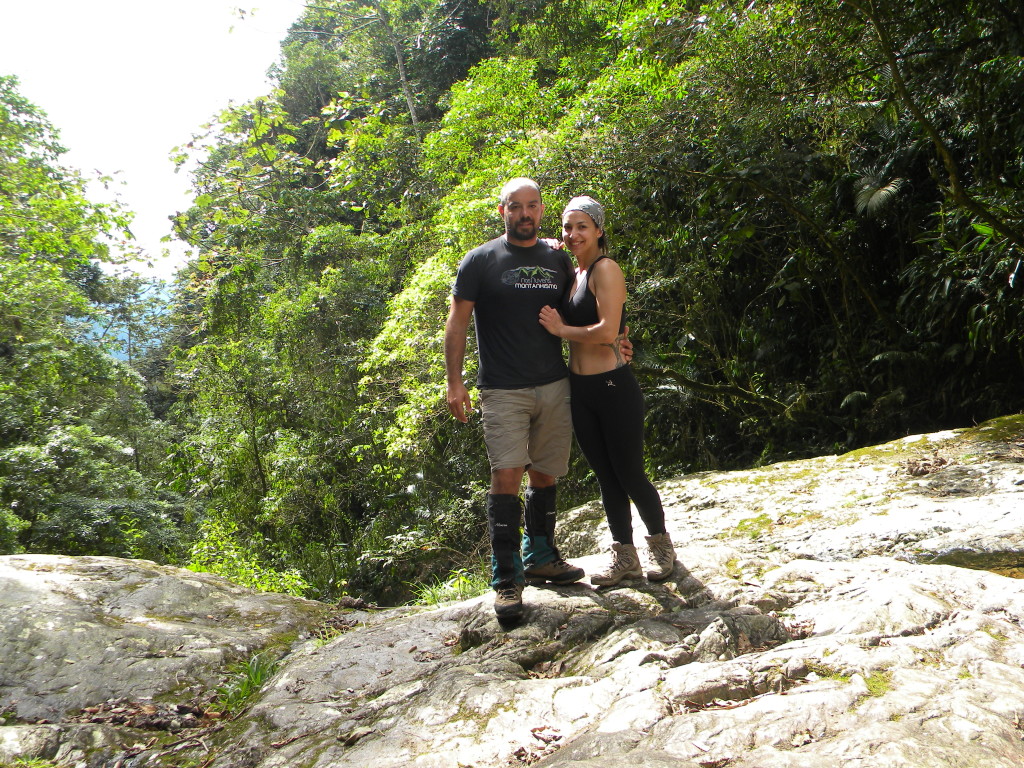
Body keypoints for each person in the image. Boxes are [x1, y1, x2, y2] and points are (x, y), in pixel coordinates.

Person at [445, 177, 587, 621]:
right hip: (502, 388)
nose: (524, 214)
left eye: (532, 206)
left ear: (541, 210)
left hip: (553, 383)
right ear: (502, 209)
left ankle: (540, 555)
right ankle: (506, 578)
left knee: (545, 472)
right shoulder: (479, 261)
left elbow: (584, 307)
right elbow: (456, 324)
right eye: (515, 206)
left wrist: (614, 341)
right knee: (506, 474)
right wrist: (454, 382)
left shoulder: (557, 259)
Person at [539, 195, 677, 586]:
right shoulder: (574, 274)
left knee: (630, 473)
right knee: (605, 476)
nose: (573, 233)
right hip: (580, 388)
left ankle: (662, 549)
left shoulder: (606, 269)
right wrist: (549, 245)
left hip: (613, 385)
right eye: (567, 227)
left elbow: (607, 332)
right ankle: (624, 556)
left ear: (599, 230)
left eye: (582, 226)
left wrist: (561, 330)